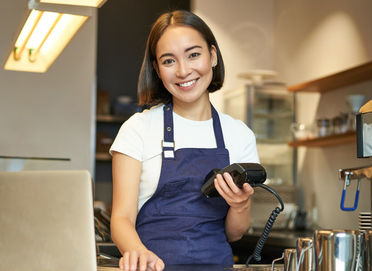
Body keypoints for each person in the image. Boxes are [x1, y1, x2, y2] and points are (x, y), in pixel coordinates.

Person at [109, 10, 260, 271]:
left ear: (212, 56)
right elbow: (121, 219)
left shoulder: (240, 135)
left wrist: (240, 204)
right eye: (169, 61)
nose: (183, 71)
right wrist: (139, 252)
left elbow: (235, 234)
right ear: (157, 69)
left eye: (193, 55)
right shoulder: (138, 129)